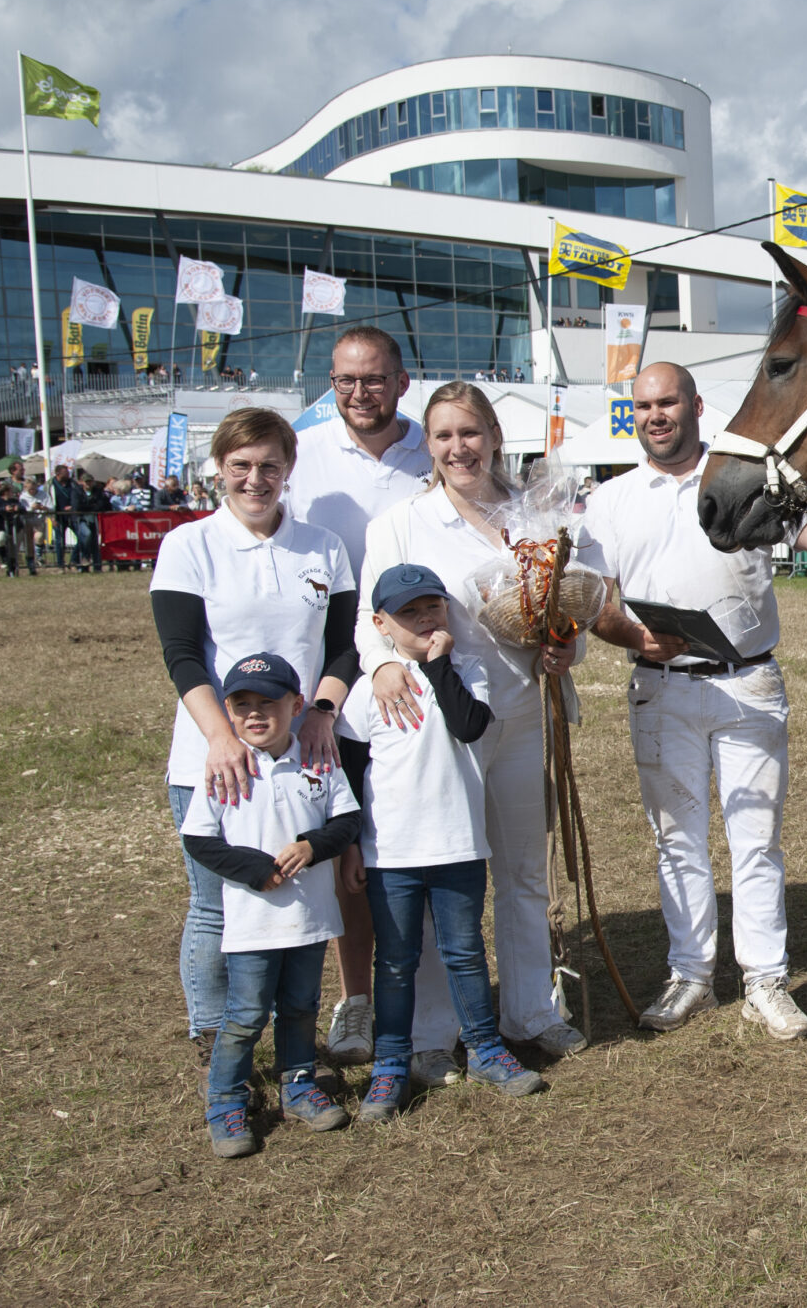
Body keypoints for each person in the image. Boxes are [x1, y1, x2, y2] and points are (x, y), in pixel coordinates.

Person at [580, 362, 807, 1039]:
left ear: (697, 404)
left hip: (748, 686)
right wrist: (635, 637)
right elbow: (593, 597)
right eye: (644, 405)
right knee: (677, 840)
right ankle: (691, 976)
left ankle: (766, 979)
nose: (656, 415)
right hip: (661, 689)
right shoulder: (609, 501)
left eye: (667, 401)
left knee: (755, 840)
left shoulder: (751, 484)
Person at [358, 381, 587, 1070]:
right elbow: (369, 623)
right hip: (441, 730)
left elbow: (563, 603)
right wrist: (379, 668)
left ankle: (529, 1011)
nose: (459, 448)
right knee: (436, 876)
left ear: (492, 435)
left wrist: (566, 643)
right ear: (427, 446)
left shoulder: (531, 517)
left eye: (470, 432)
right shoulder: (402, 522)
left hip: (523, 714)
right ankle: (432, 1032)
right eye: (443, 436)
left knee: (523, 871)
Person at [149, 408, 358, 1073]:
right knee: (218, 900)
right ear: (220, 469)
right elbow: (182, 653)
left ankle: (294, 1042)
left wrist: (323, 710)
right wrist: (220, 737)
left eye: (269, 464)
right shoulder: (189, 545)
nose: (255, 478)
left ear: (289, 467)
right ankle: (216, 1038)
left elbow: (344, 645)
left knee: (295, 896)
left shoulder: (323, 546)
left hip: (300, 759)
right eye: (241, 465)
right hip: (214, 757)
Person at [339, 563, 545, 1121]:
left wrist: (438, 664)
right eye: (409, 613)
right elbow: (350, 774)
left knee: (464, 954)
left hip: (457, 845)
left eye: (433, 606)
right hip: (392, 854)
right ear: (381, 623)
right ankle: (389, 1065)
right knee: (398, 962)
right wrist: (353, 843)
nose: (425, 618)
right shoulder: (367, 691)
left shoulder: (468, 670)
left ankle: (485, 1050)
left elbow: (469, 725)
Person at [285, 323, 435, 1065]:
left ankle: (431, 995)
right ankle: (355, 999)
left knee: (420, 842)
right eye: (345, 380)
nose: (358, 393)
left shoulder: (432, 450)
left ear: (402, 381)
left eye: (373, 378)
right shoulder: (303, 459)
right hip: (331, 689)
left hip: (419, 686)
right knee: (347, 854)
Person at [179, 652, 361, 1158]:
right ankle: (225, 1100)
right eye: (242, 706)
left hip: (308, 921)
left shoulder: (319, 762)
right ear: (228, 712)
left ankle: (299, 1086)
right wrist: (254, 870)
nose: (256, 715)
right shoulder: (224, 769)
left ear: (297, 704)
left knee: (301, 1008)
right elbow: (198, 839)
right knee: (245, 1014)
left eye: (269, 703)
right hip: (253, 927)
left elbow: (346, 822)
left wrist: (312, 845)